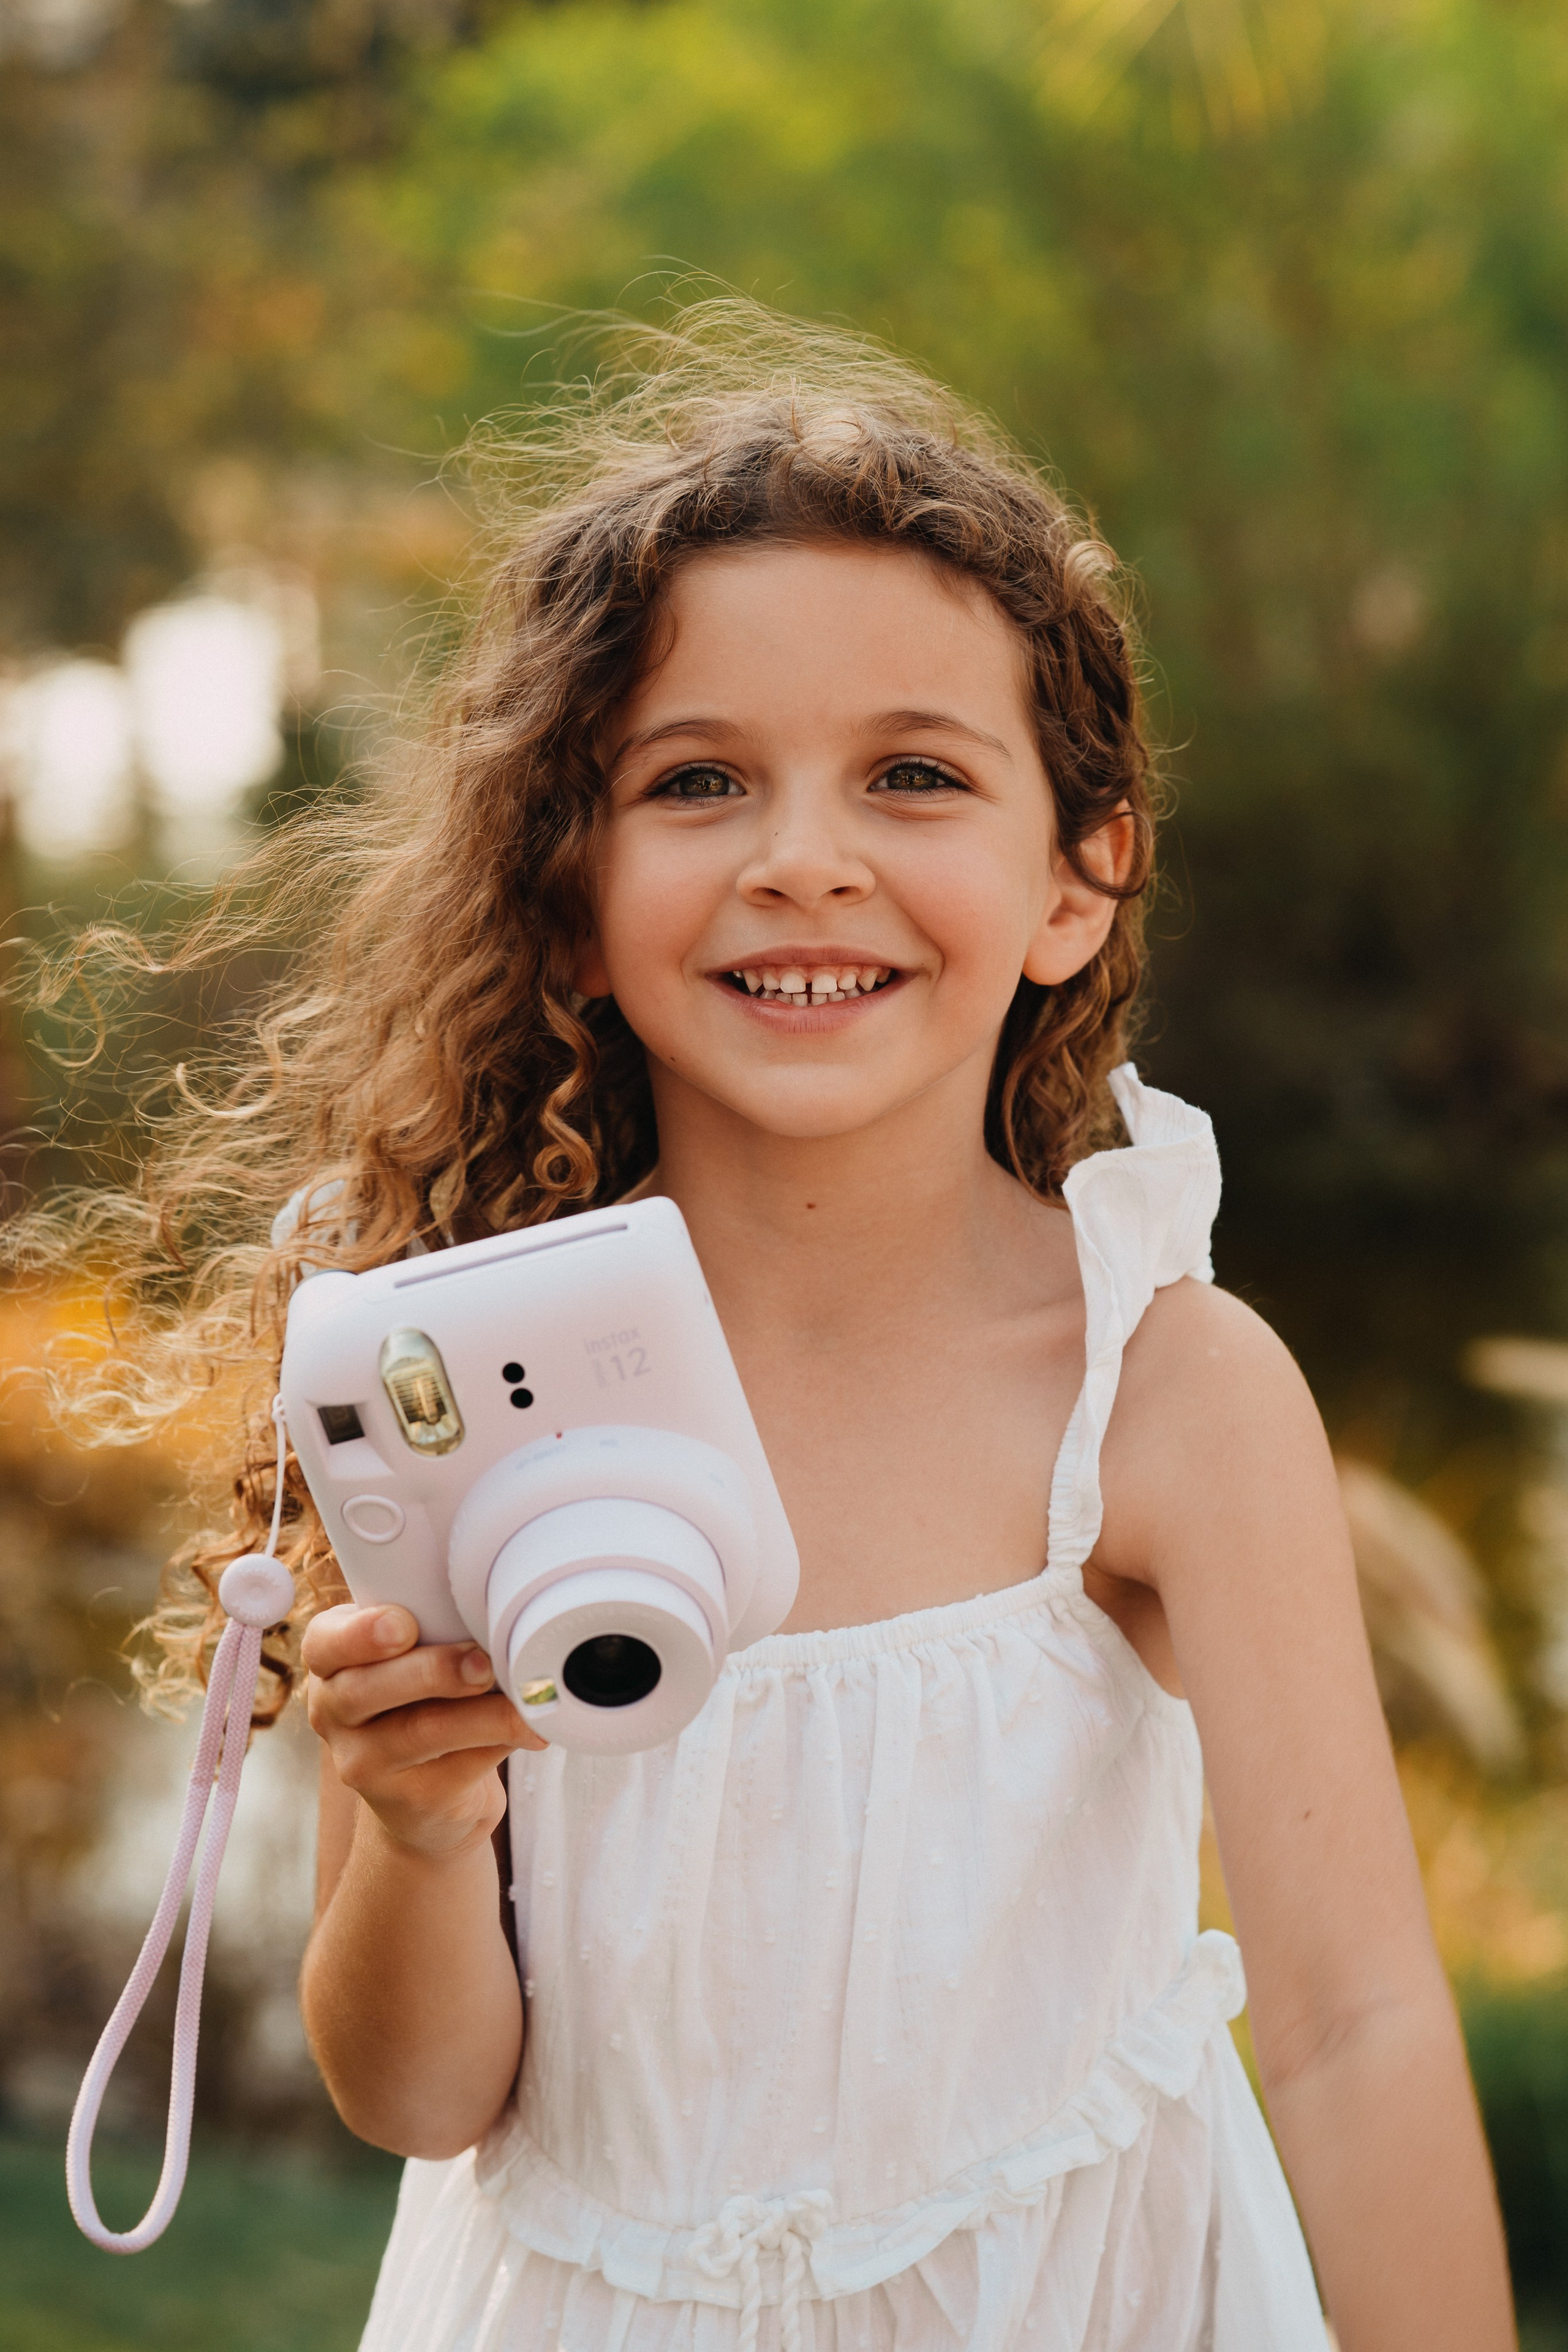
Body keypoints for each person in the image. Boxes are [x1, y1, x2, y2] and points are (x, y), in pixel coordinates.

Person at [35, 307, 1513, 2350]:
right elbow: (426, 2094)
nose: (803, 862)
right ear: (570, 891)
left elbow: (1352, 2027)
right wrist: (418, 1821)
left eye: (913, 774)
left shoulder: (1161, 1391)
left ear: (1078, 878)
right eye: (699, 781)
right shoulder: (464, 1389)